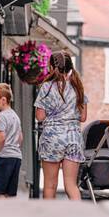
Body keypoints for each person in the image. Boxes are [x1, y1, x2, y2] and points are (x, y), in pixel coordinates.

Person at [35, 51, 87, 201]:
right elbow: (83, 117)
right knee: (71, 185)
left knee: (50, 185)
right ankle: (77, 216)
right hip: (73, 139)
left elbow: (40, 117)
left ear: (51, 67)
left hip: (52, 139)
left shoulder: (47, 87)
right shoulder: (78, 87)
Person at [0, 83, 23, 197]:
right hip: (16, 157)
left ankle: (0, 214)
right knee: (10, 193)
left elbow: (1, 137)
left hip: (4, 157)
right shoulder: (15, 116)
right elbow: (20, 137)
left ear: (3, 100)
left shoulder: (0, 116)